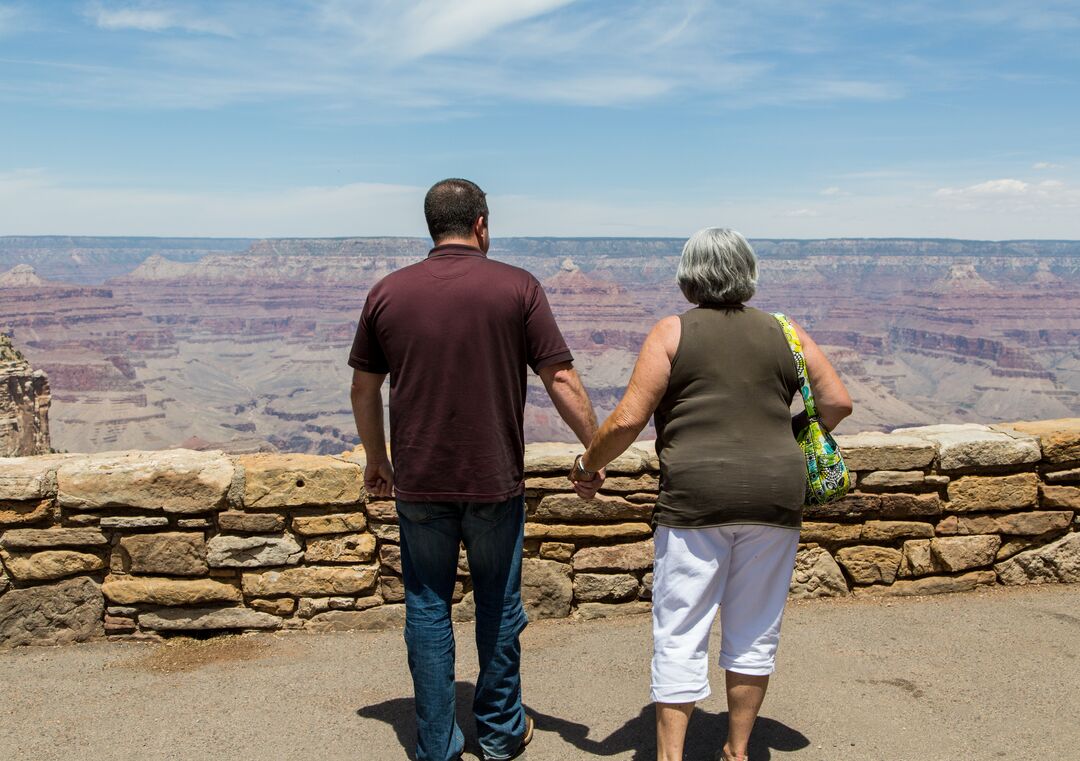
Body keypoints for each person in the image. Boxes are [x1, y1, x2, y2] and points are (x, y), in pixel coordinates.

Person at [569, 228, 852, 761]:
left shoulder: (672, 332)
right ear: (749, 272)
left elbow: (629, 418)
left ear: (687, 276)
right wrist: (777, 438)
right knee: (754, 625)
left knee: (681, 630)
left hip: (694, 499)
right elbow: (837, 403)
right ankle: (737, 751)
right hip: (775, 495)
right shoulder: (786, 330)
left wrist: (588, 464)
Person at [348, 178, 604, 761]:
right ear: (482, 225)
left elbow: (365, 387)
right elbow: (560, 378)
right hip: (493, 479)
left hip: (418, 480)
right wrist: (594, 453)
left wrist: (377, 460)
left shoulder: (388, 292)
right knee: (498, 604)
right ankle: (499, 732)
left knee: (428, 606)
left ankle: (436, 744)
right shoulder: (518, 287)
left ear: (432, 226)